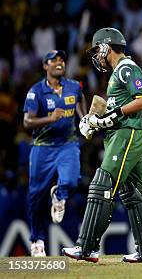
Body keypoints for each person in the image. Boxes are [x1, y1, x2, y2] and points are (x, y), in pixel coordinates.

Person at [62, 28, 142, 263]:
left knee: (101, 184)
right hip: (124, 134)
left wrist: (113, 114)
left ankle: (86, 247)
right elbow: (117, 111)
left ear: (107, 47)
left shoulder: (127, 68)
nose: (97, 55)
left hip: (127, 135)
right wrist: (96, 121)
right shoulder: (118, 72)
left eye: (98, 49)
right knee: (134, 194)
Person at [23, 49, 87, 257]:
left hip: (67, 144)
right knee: (36, 196)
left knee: (71, 180)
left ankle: (59, 195)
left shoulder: (73, 86)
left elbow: (80, 99)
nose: (59, 62)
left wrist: (84, 118)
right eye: (54, 60)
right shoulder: (36, 91)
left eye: (62, 60)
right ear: (45, 66)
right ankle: (37, 241)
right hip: (42, 146)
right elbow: (27, 121)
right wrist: (49, 119)